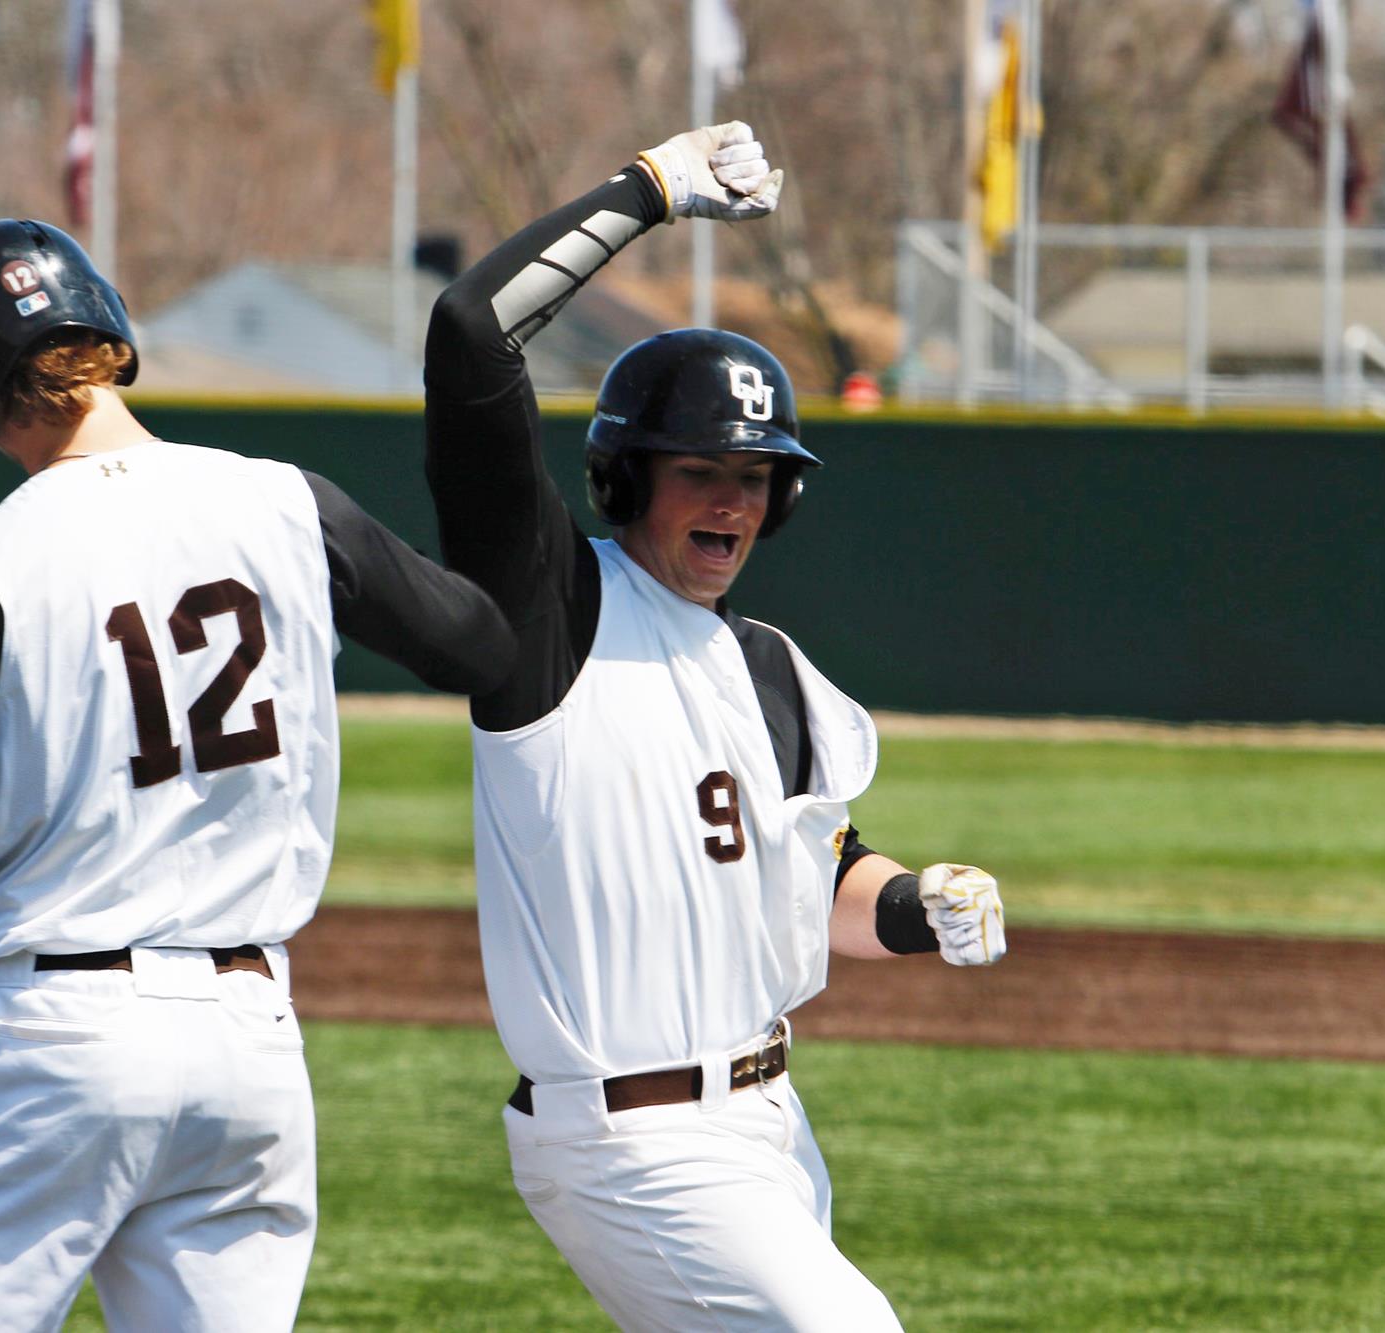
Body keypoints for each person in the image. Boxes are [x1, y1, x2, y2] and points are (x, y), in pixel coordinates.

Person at [0, 217, 513, 1331]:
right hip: (252, 1048)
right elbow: (479, 648)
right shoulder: (288, 500)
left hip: (59, 1041)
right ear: (108, 334)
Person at [422, 123, 1008, 1330]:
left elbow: (813, 869)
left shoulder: (771, 671)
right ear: (625, 477)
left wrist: (916, 900)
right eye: (701, 468)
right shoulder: (554, 613)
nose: (733, 498)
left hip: (766, 1123)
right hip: (627, 1141)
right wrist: (645, 195)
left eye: (756, 476)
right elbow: (470, 337)